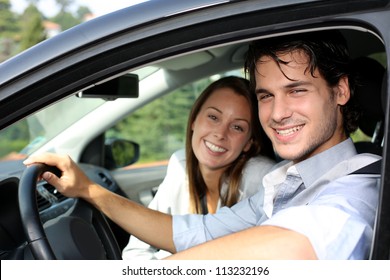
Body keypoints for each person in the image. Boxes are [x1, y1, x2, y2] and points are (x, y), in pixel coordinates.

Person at [24, 30, 381, 260]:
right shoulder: (286, 180)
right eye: (266, 96)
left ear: (341, 90)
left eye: (297, 90)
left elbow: (293, 247)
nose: (278, 113)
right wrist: (88, 190)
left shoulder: (358, 191)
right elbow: (194, 233)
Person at [122, 76, 275, 259]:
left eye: (237, 127)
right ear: (194, 120)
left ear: (249, 142)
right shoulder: (180, 165)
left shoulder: (263, 178)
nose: (220, 134)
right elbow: (136, 250)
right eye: (213, 117)